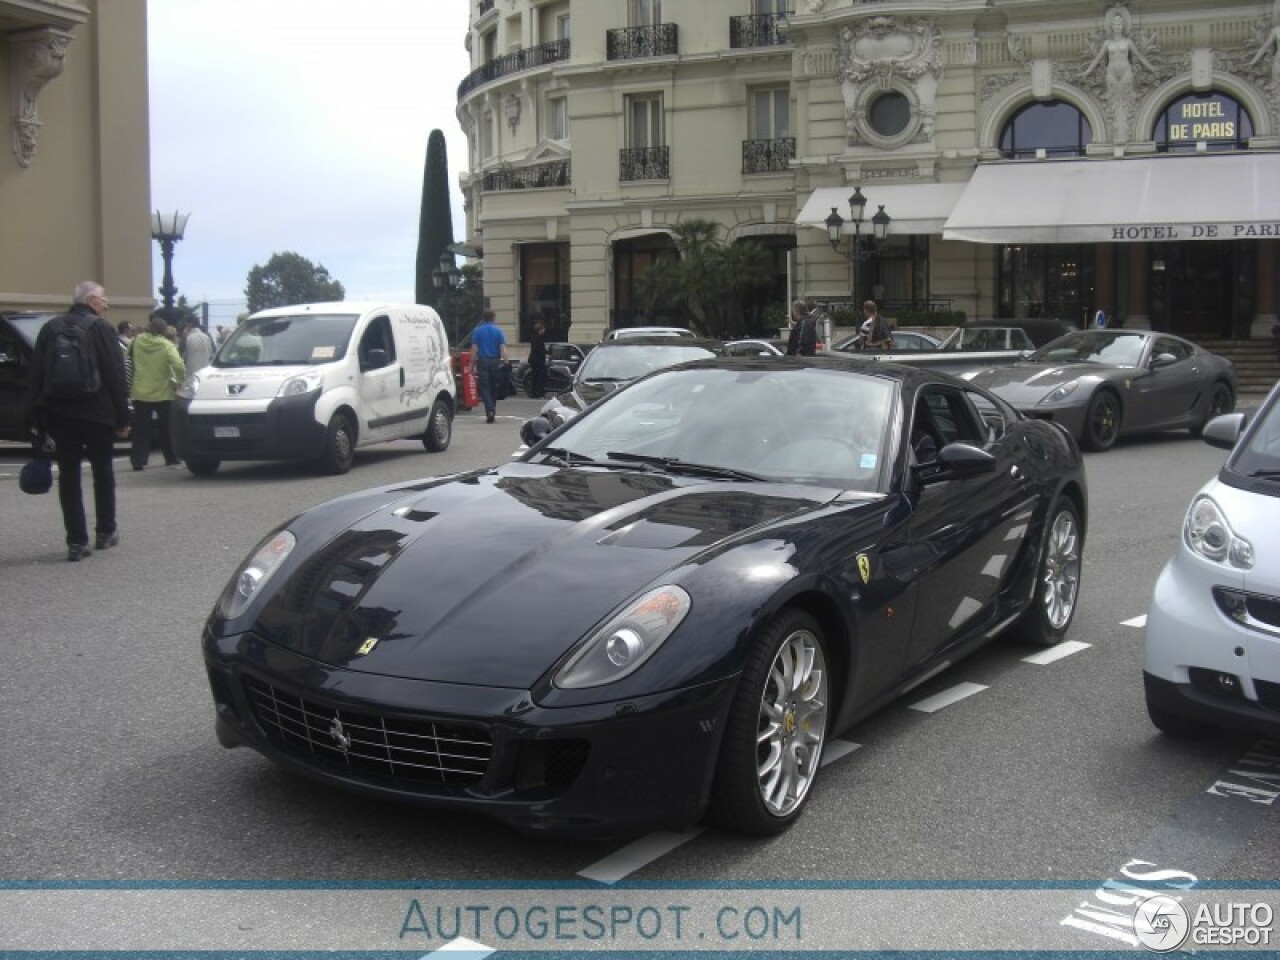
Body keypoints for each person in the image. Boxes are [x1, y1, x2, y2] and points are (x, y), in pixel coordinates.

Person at [24, 281, 130, 561]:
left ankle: (76, 541)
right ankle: (105, 531)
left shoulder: (51, 328)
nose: (107, 304)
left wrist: (35, 416)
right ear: (92, 300)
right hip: (97, 413)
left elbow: (36, 374)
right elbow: (115, 375)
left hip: (61, 414)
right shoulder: (101, 329)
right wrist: (123, 415)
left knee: (68, 476)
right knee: (102, 473)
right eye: (104, 299)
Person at [129, 312, 186, 470]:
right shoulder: (166, 345)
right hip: (163, 391)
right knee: (166, 427)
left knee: (141, 429)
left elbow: (128, 357)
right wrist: (180, 381)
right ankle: (171, 457)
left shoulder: (136, 341)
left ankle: (138, 461)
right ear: (163, 331)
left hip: (140, 390)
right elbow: (178, 365)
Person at [470, 309, 508, 423]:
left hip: (483, 361)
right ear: (493, 318)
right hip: (495, 361)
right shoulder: (498, 331)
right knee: (493, 387)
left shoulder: (477, 331)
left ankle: (489, 410)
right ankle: (492, 409)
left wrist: (471, 364)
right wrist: (506, 361)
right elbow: (503, 348)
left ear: (483, 318)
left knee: (484, 387)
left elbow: (474, 349)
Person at [528, 320, 548, 399]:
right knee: (539, 377)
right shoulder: (539, 338)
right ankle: (538, 393)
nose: (544, 330)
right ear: (540, 329)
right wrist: (546, 352)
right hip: (538, 361)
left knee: (534, 377)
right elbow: (539, 349)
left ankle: (534, 393)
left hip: (534, 360)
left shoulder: (534, 337)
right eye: (543, 329)